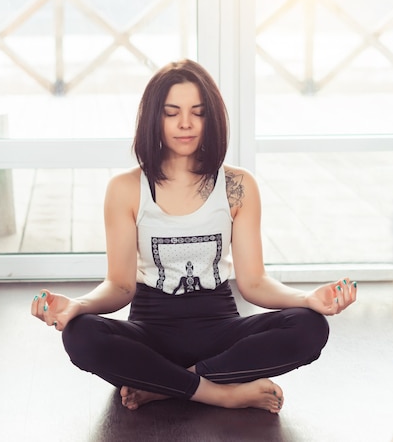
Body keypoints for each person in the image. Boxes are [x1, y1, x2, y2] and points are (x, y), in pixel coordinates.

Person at [31, 59, 357, 414]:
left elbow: (255, 282)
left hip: (221, 333)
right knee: (81, 335)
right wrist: (79, 306)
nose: (185, 123)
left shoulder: (238, 186)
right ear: (155, 118)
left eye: (197, 113)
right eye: (172, 113)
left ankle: (167, 385)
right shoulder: (124, 189)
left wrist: (307, 299)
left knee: (309, 327)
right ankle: (222, 392)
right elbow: (120, 286)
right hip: (150, 334)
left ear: (211, 118)